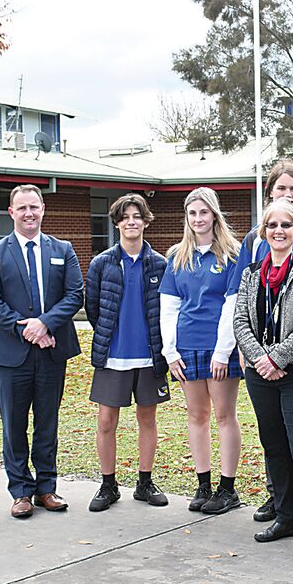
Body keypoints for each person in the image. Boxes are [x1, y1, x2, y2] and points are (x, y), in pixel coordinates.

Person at [233, 200, 293, 563]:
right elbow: (240, 322)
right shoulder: (251, 274)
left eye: (286, 225)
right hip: (261, 375)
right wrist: (261, 359)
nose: (279, 231)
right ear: (264, 231)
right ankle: (287, 517)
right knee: (274, 447)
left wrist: (277, 357)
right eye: (272, 225)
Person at [0, 184, 84, 518]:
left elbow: (75, 294)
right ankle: (21, 491)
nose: (29, 213)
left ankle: (46, 488)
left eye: (34, 207)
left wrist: (45, 324)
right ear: (11, 212)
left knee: (47, 422)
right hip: (12, 355)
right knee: (14, 424)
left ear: (42, 209)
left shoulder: (62, 249)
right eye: (22, 208)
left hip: (51, 352)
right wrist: (28, 329)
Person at [159, 188, 243, 515]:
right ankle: (203, 484)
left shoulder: (232, 256)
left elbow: (233, 305)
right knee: (196, 415)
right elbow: (169, 306)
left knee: (224, 415)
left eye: (204, 212)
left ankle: (227, 488)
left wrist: (222, 352)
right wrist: (170, 352)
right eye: (192, 213)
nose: (198, 219)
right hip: (186, 347)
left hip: (220, 347)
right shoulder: (177, 256)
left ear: (214, 215)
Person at [85, 194, 170, 512]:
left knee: (147, 420)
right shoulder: (101, 263)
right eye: (125, 217)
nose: (131, 222)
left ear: (146, 221)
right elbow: (93, 308)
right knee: (106, 422)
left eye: (137, 216)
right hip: (113, 357)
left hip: (149, 357)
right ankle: (108, 485)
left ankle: (145, 483)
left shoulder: (160, 264)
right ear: (117, 223)